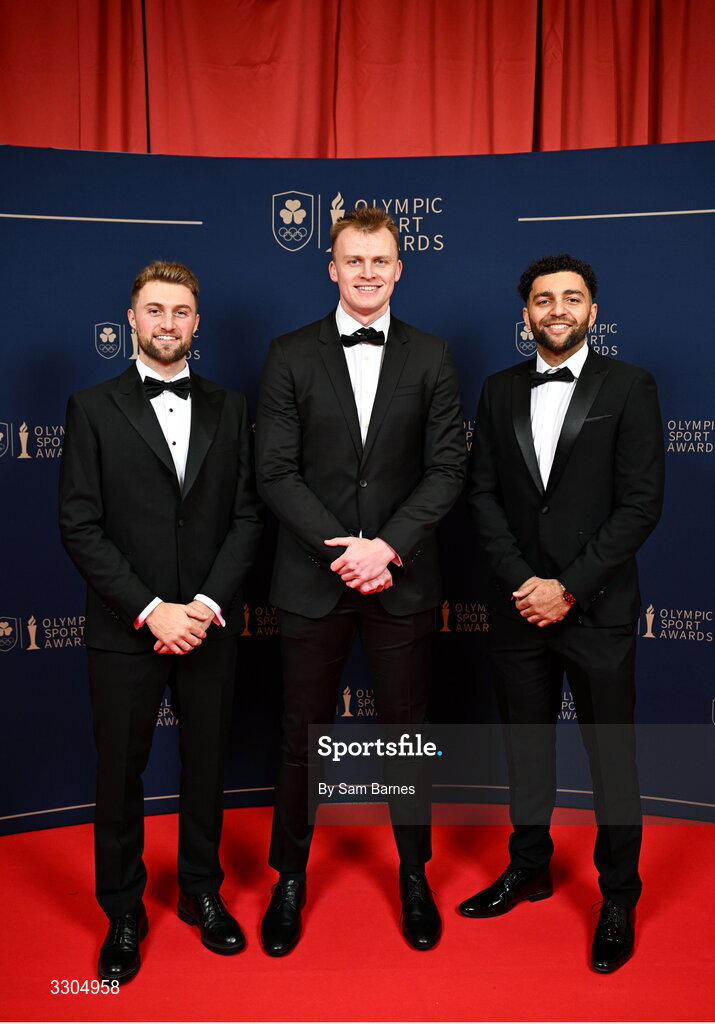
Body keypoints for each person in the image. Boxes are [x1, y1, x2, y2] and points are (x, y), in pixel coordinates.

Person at [255, 207, 465, 955]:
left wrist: (388, 548)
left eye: (380, 260)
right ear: (332, 269)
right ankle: (289, 878)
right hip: (312, 578)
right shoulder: (288, 354)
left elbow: (447, 468)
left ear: (399, 269)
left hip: (400, 579)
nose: (367, 273)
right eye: (354, 260)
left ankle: (413, 874)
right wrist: (344, 552)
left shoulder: (432, 355)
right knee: (300, 735)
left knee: (407, 734)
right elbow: (275, 471)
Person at [59, 260, 262, 983]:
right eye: (155, 310)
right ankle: (122, 910)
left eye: (180, 311)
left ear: (196, 322)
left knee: (207, 765)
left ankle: (202, 890)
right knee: (120, 772)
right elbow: (80, 525)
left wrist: (202, 607)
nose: (167, 323)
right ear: (132, 319)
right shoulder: (91, 407)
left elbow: (247, 517)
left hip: (208, 623)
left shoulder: (231, 407)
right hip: (128, 626)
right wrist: (151, 611)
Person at [461, 254, 664, 972]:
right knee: (527, 749)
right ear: (526, 315)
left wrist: (568, 588)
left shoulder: (630, 385)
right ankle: (529, 866)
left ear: (591, 311)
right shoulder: (497, 389)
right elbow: (481, 494)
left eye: (570, 298)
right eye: (543, 300)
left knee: (611, 759)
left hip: (596, 609)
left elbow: (640, 504)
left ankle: (618, 895)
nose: (556, 310)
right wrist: (524, 582)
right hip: (518, 606)